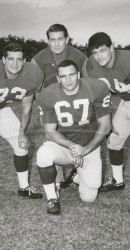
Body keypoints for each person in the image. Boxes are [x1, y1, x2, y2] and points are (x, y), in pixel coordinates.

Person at [36, 60, 111, 215]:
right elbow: (49, 132)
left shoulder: (96, 88)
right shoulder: (48, 94)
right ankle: (52, 198)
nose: (68, 80)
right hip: (65, 146)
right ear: (58, 78)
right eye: (63, 76)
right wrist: (72, 147)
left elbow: (106, 126)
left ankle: (76, 176)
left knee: (89, 198)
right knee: (43, 154)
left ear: (78, 74)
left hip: (89, 145)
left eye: (72, 75)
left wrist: (85, 149)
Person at [31, 23, 88, 193]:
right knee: (52, 139)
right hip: (51, 105)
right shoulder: (38, 59)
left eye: (60, 39)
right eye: (52, 39)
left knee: (77, 137)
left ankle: (79, 172)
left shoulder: (79, 56)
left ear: (67, 39)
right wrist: (43, 107)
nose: (56, 44)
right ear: (47, 41)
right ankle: (56, 182)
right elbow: (36, 88)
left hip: (75, 104)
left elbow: (87, 84)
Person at [84, 32, 130, 192]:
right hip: (127, 102)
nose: (98, 56)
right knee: (114, 142)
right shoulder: (91, 65)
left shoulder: (126, 60)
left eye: (102, 50)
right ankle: (117, 180)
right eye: (95, 52)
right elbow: (99, 95)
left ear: (112, 47)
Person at [0, 42, 44, 199]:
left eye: (19, 59)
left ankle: (24, 188)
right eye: (10, 59)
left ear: (24, 61)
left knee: (22, 146)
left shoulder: (32, 74)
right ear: (3, 60)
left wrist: (22, 133)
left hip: (2, 109)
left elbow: (27, 107)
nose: (15, 63)